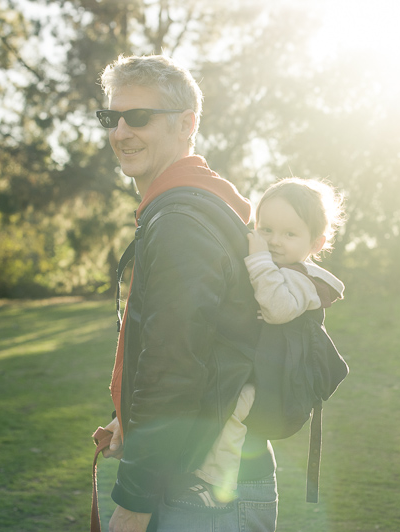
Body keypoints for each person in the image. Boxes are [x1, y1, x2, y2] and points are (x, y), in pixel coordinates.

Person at [96, 54, 276, 532]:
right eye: (111, 118)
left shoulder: (179, 222)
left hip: (202, 486)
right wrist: (126, 419)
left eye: (138, 117)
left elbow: (173, 368)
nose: (120, 133)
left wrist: (134, 502)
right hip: (209, 469)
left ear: (187, 124)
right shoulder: (198, 202)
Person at [190, 178, 346, 506]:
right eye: (267, 230)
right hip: (260, 364)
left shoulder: (305, 281)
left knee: (234, 403)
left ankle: (216, 479)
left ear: (316, 243)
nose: (275, 241)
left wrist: (258, 260)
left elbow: (277, 308)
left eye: (290, 234)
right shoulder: (277, 265)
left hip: (278, 381)